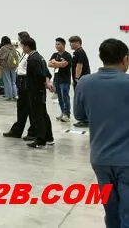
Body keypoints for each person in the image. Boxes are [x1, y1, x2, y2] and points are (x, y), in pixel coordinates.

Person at [73, 38, 129, 228]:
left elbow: (79, 115)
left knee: (111, 210)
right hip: (126, 160)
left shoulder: (85, 83)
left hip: (100, 158)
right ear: (125, 59)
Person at [22, 37, 54, 149]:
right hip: (40, 90)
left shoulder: (32, 59)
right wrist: (47, 82)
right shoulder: (39, 57)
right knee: (43, 114)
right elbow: (46, 73)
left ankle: (40, 140)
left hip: (35, 90)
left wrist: (46, 83)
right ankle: (49, 137)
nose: (22, 48)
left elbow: (39, 74)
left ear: (27, 46)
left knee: (38, 115)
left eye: (23, 46)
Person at [49, 37, 73, 122]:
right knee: (59, 98)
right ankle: (63, 113)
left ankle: (67, 114)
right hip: (57, 80)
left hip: (65, 80)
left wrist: (55, 62)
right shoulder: (54, 54)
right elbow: (49, 64)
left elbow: (64, 65)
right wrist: (58, 63)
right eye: (56, 44)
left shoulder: (67, 55)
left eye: (58, 44)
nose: (56, 46)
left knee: (65, 97)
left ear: (63, 45)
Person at [70, 35, 92, 126]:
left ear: (78, 43)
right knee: (80, 100)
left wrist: (77, 79)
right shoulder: (76, 52)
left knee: (83, 100)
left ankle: (86, 120)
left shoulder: (80, 52)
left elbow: (79, 66)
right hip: (80, 80)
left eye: (72, 42)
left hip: (81, 81)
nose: (70, 44)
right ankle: (83, 119)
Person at [0, 36, 19, 100]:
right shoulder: (13, 47)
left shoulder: (3, 48)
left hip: (5, 66)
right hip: (13, 66)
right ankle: (15, 95)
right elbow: (16, 56)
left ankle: (9, 96)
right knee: (13, 82)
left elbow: (0, 57)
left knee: (7, 81)